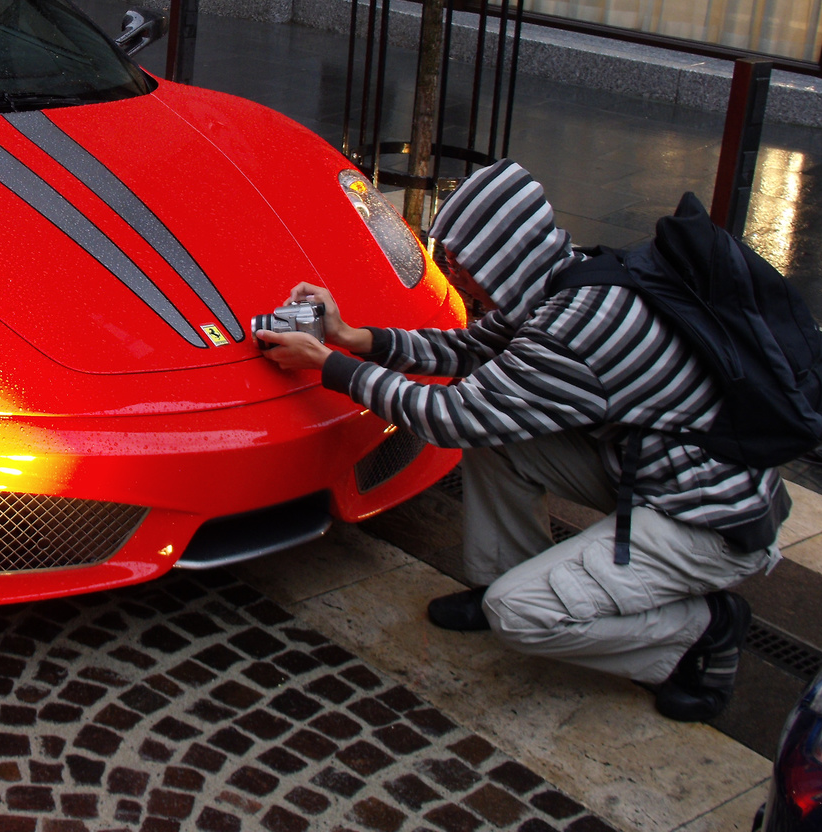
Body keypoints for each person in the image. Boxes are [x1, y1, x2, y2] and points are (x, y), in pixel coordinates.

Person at [256, 159, 789, 721]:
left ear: (502, 254)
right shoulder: (568, 277)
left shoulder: (572, 333)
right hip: (654, 473)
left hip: (710, 521)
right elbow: (466, 352)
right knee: (502, 440)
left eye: (461, 261)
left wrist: (329, 365)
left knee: (522, 616)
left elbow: (450, 417)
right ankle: (499, 582)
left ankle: (699, 634)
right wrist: (351, 337)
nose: (451, 272)